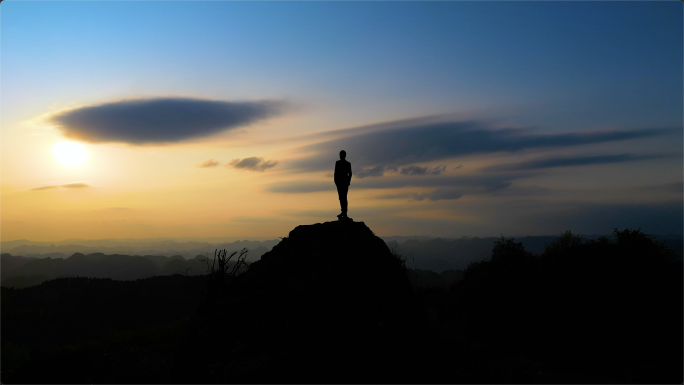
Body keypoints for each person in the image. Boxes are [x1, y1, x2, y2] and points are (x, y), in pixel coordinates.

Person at [334, 150, 352, 219]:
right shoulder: (337, 163)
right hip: (339, 182)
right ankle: (343, 211)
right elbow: (335, 173)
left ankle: (344, 212)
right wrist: (335, 181)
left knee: (343, 197)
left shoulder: (348, 164)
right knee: (341, 197)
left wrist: (348, 182)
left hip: (344, 182)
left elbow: (350, 173)